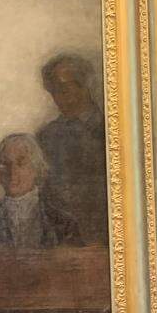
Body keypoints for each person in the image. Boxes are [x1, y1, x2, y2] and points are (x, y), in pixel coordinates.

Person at [34, 54, 108, 245]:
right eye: (53, 90)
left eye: (64, 88)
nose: (58, 96)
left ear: (84, 86)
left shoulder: (110, 128)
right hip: (59, 239)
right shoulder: (45, 136)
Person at [0, 133, 82, 249]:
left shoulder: (64, 223)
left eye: (21, 163)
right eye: (4, 164)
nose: (12, 172)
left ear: (36, 168)